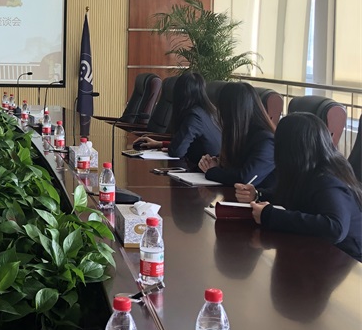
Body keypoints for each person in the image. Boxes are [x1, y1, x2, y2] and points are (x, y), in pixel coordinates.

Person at [235, 112, 362, 261]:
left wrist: (270, 216)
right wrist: (258, 194)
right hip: (316, 253)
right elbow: (295, 196)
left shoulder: (327, 180)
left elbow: (335, 228)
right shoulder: (307, 170)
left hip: (346, 260)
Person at [134, 72, 221, 168]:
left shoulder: (194, 117)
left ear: (179, 94)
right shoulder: (209, 111)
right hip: (202, 169)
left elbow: (177, 151)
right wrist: (161, 144)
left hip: (203, 172)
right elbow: (184, 144)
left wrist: (172, 148)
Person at [198, 82, 276, 189]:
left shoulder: (267, 140)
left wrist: (212, 171)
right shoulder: (241, 134)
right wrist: (214, 162)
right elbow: (233, 167)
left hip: (258, 198)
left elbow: (245, 179)